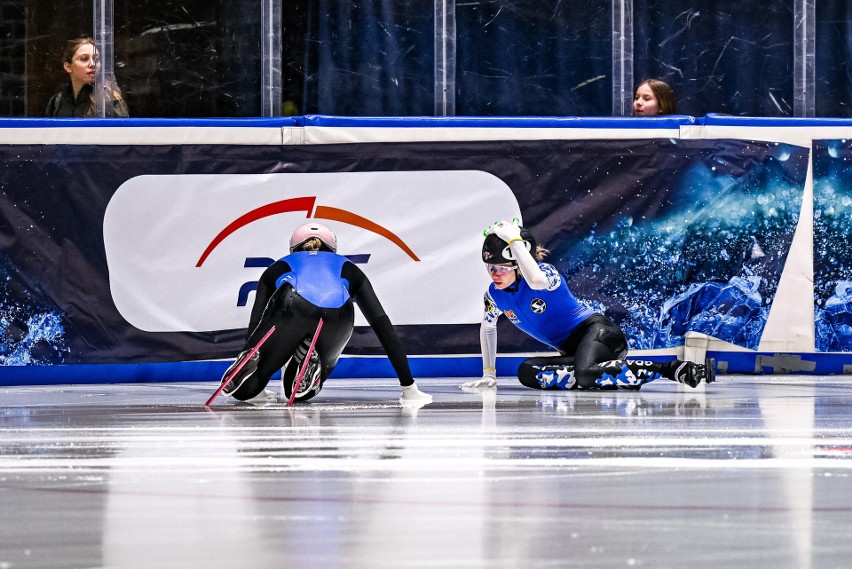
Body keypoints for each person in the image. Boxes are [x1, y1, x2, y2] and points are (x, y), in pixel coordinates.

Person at [464, 220, 714, 391]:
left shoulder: (546, 274)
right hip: (573, 352)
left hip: (599, 335)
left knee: (584, 374)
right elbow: (487, 328)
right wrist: (489, 373)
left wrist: (515, 241)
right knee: (527, 372)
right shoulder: (494, 296)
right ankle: (604, 376)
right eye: (489, 268)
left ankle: (673, 369)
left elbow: (536, 280)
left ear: (519, 263)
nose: (494, 274)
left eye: (500, 268)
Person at [220, 222, 432, 404]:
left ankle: (251, 378)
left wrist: (248, 352)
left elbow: (257, 324)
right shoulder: (348, 267)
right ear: (333, 249)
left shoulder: (279, 266)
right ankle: (312, 366)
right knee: (298, 395)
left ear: (294, 249)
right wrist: (409, 387)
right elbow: (381, 325)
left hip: (291, 305)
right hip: (338, 317)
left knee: (247, 391)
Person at [44, 37, 129, 118]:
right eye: (84, 59)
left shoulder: (110, 100)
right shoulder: (57, 101)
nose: (92, 64)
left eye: (96, 59)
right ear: (68, 67)